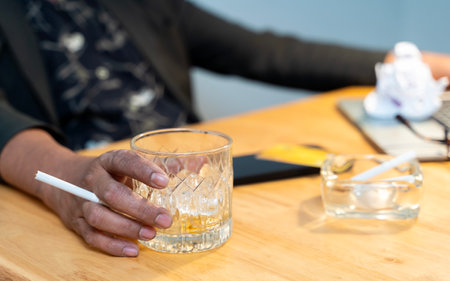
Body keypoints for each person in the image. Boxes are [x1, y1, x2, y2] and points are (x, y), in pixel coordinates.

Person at [0, 0, 449, 257]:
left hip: (193, 182)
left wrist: (406, 66)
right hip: (83, 200)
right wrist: (63, 180)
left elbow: (260, 51)